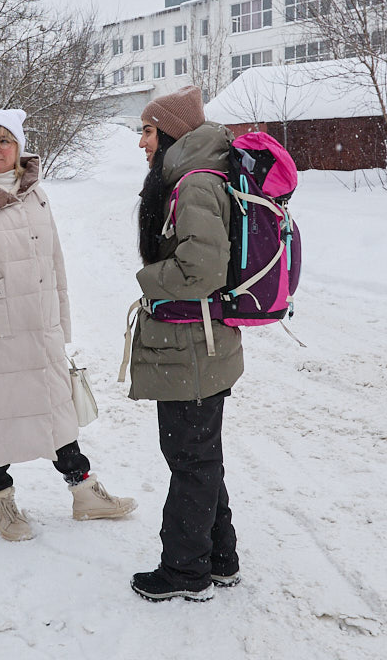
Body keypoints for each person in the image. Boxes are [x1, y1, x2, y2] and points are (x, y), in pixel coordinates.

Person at [0, 108, 136, 542]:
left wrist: (60, 324)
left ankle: (84, 493)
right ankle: (4, 503)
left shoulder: (37, 195)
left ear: (19, 147)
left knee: (54, 412)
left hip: (38, 326)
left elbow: (54, 263)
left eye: (4, 141)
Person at [126, 85, 244, 603]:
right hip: (198, 343)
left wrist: (148, 280)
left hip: (192, 345)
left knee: (190, 459)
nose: (143, 143)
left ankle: (185, 571)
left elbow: (202, 268)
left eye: (148, 131)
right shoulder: (194, 176)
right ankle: (219, 559)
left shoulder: (194, 184)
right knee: (200, 455)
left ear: (172, 134)